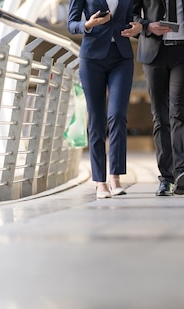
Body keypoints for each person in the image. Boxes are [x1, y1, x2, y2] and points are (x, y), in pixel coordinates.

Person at [133, 0, 184, 196]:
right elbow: (131, 14)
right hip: (154, 52)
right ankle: (166, 178)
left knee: (179, 111)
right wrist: (148, 26)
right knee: (160, 115)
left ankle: (182, 171)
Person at [68, 0, 143, 199]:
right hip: (92, 59)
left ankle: (115, 177)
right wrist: (88, 24)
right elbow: (71, 23)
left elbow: (131, 18)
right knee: (96, 120)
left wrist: (136, 27)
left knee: (118, 115)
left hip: (122, 57)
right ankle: (99, 181)